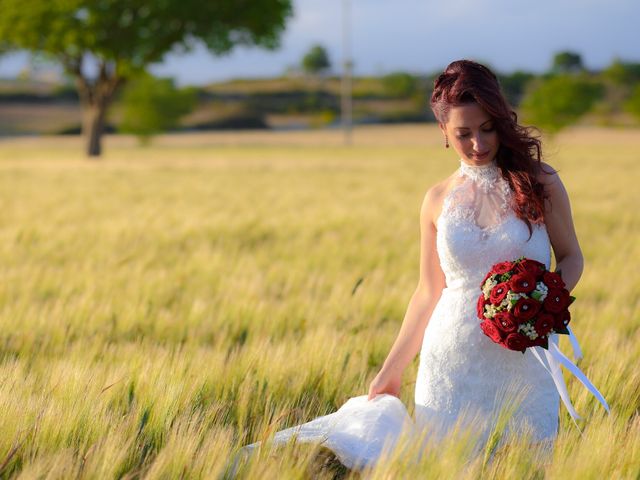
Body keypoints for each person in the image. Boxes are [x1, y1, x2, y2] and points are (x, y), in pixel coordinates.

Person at [231, 59, 606, 473]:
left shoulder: (540, 182)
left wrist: (544, 306)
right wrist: (389, 372)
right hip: (450, 366)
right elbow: (428, 291)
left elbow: (571, 257)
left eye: (488, 128)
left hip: (524, 360)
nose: (479, 144)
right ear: (444, 132)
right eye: (464, 133)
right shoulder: (436, 199)